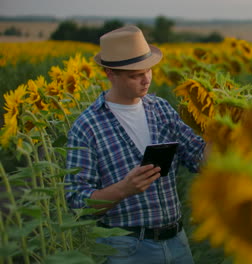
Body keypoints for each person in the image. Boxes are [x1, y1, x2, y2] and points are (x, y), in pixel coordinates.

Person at [64, 25, 205, 264]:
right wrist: (124, 189)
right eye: (134, 75)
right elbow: (78, 202)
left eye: (148, 70)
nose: (146, 79)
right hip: (126, 249)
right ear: (110, 73)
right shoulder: (87, 126)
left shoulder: (160, 109)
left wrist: (220, 131)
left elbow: (199, 158)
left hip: (177, 241)